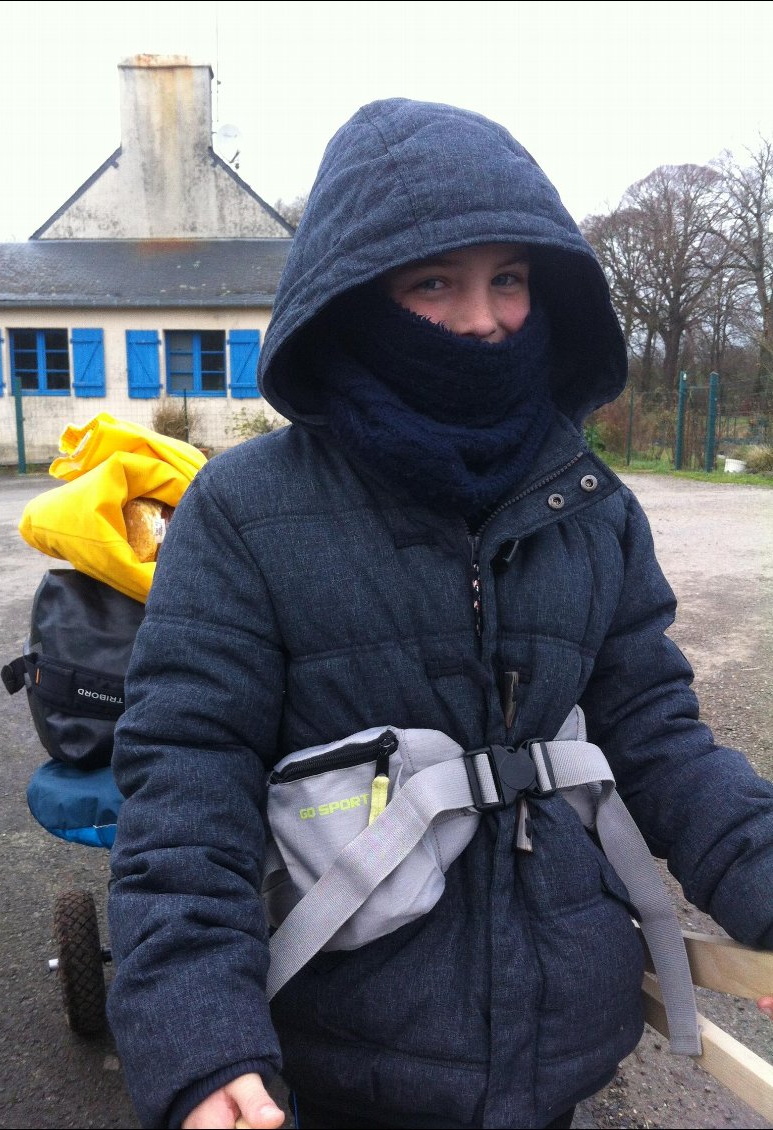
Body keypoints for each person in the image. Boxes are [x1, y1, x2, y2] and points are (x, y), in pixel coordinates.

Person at [106, 98, 773, 1130]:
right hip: (336, 1055)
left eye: (508, 277)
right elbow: (185, 785)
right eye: (434, 283)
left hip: (561, 1046)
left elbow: (659, 734)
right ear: (353, 297)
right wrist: (196, 1038)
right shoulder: (241, 511)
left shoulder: (594, 504)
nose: (483, 318)